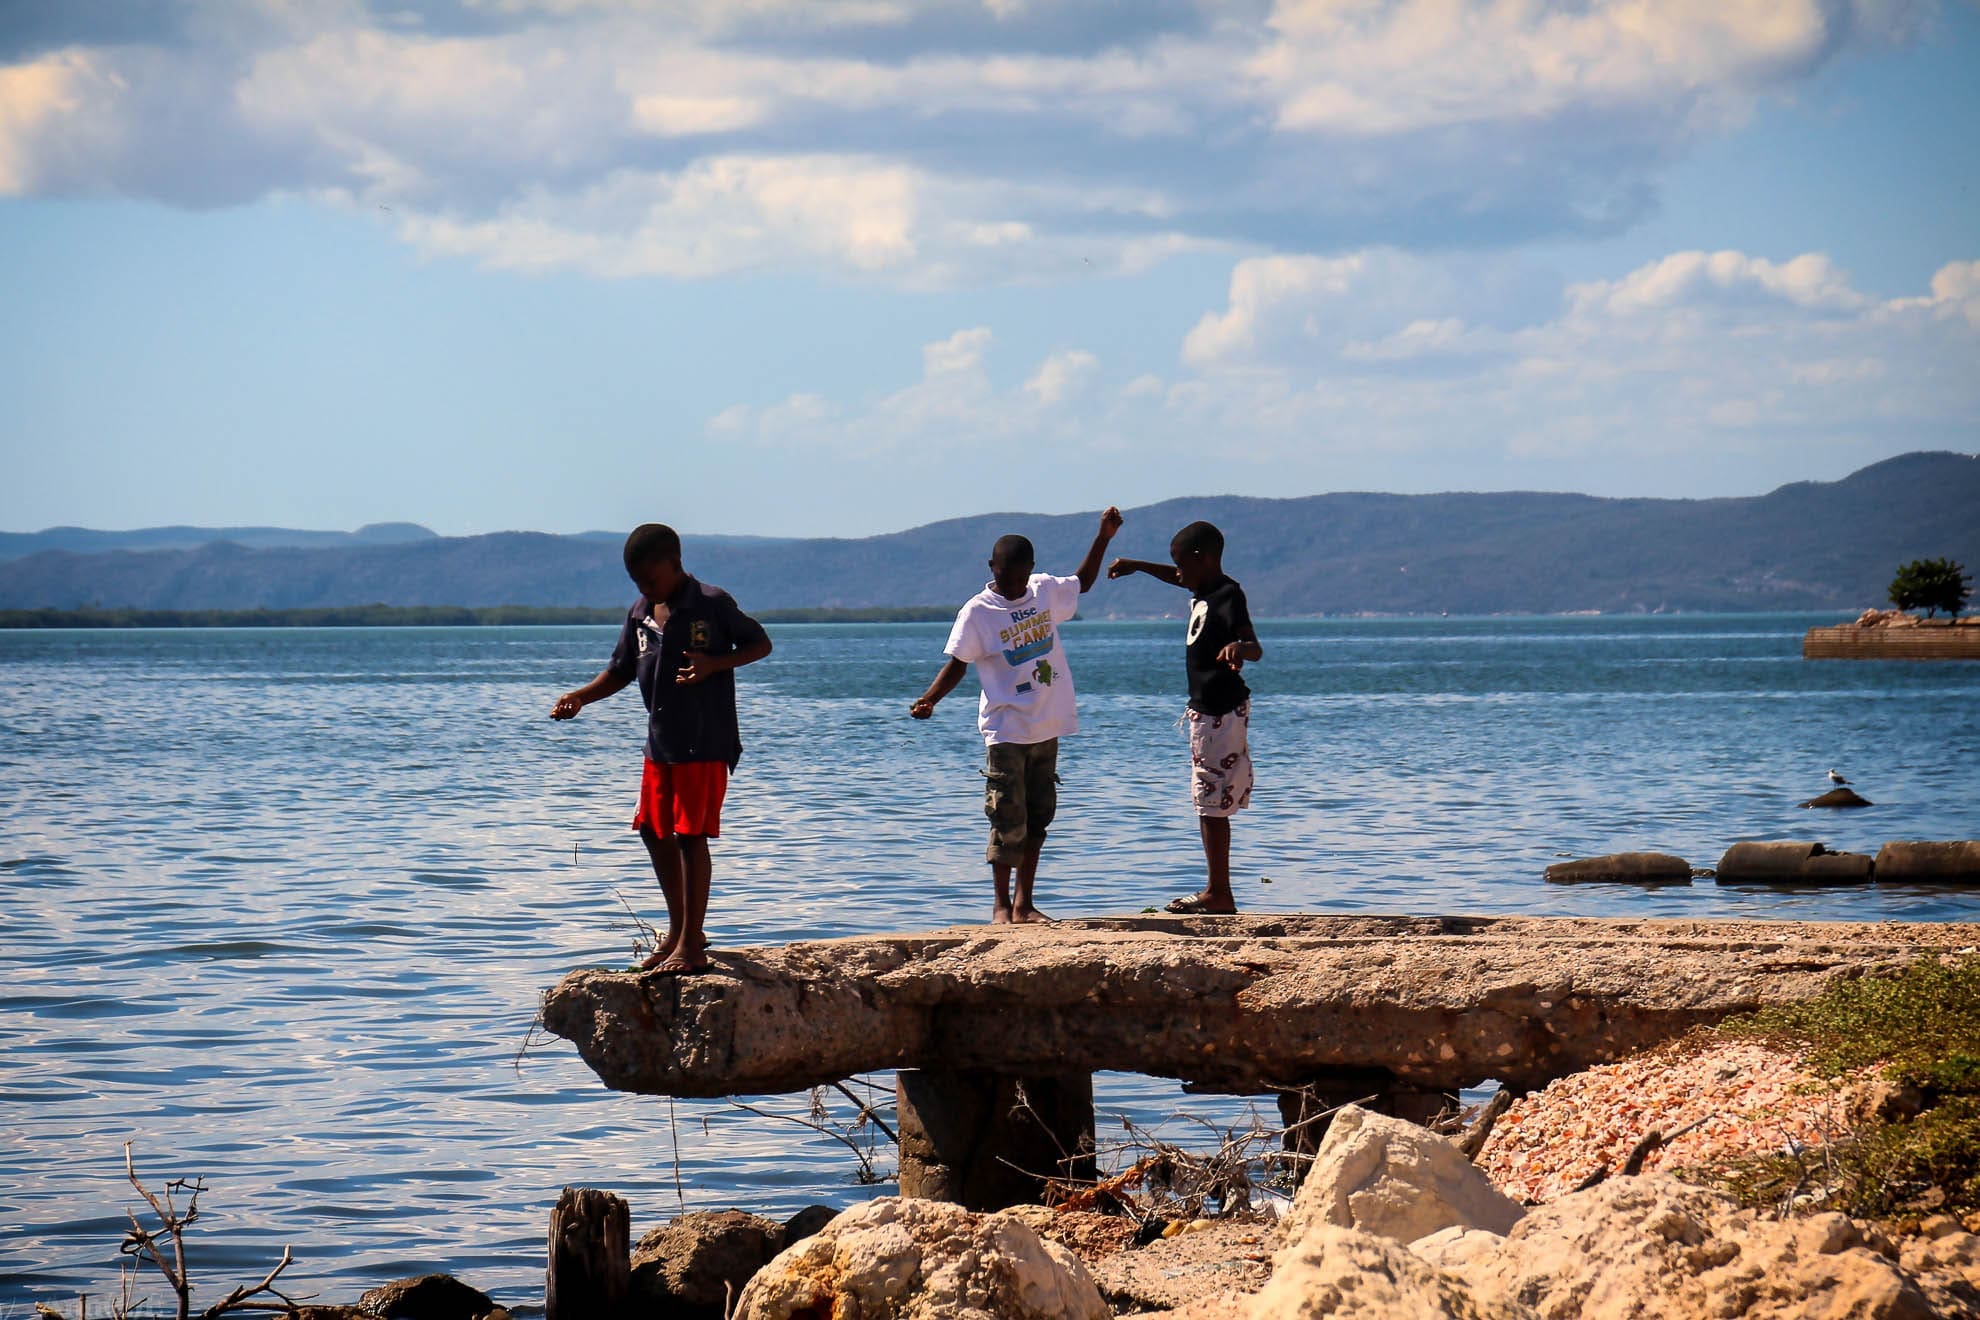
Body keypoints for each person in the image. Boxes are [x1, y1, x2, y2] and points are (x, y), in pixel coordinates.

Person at [551, 524, 772, 974]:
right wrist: (581, 697)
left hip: (704, 740)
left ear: (675, 564)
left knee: (691, 835)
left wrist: (715, 663)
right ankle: (678, 932)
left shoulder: (710, 603)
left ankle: (691, 945)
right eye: (637, 581)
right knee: (653, 830)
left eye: (651, 579)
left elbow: (760, 644)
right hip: (660, 743)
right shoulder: (639, 613)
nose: (644, 588)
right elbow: (620, 670)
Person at [910, 507, 1124, 923]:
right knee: (1007, 816)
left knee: (1038, 818)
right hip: (1006, 727)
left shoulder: (1043, 590)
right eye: (1004, 576)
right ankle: (1000, 907)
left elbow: (1083, 581)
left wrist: (1103, 537)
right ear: (992, 568)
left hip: (1047, 723)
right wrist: (931, 699)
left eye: (1019, 576)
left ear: (1030, 569)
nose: (1012, 585)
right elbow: (958, 663)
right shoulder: (978, 611)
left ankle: (1025, 904)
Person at [1107, 520, 1261, 914]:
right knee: (1210, 800)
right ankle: (1218, 890)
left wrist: (1237, 647)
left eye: (1182, 565)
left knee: (1210, 803)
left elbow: (1254, 647)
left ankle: (1218, 892)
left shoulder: (1228, 594)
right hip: (1210, 712)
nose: (1178, 574)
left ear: (1202, 560)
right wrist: (1139, 566)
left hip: (1219, 712)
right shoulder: (1203, 590)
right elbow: (1176, 577)